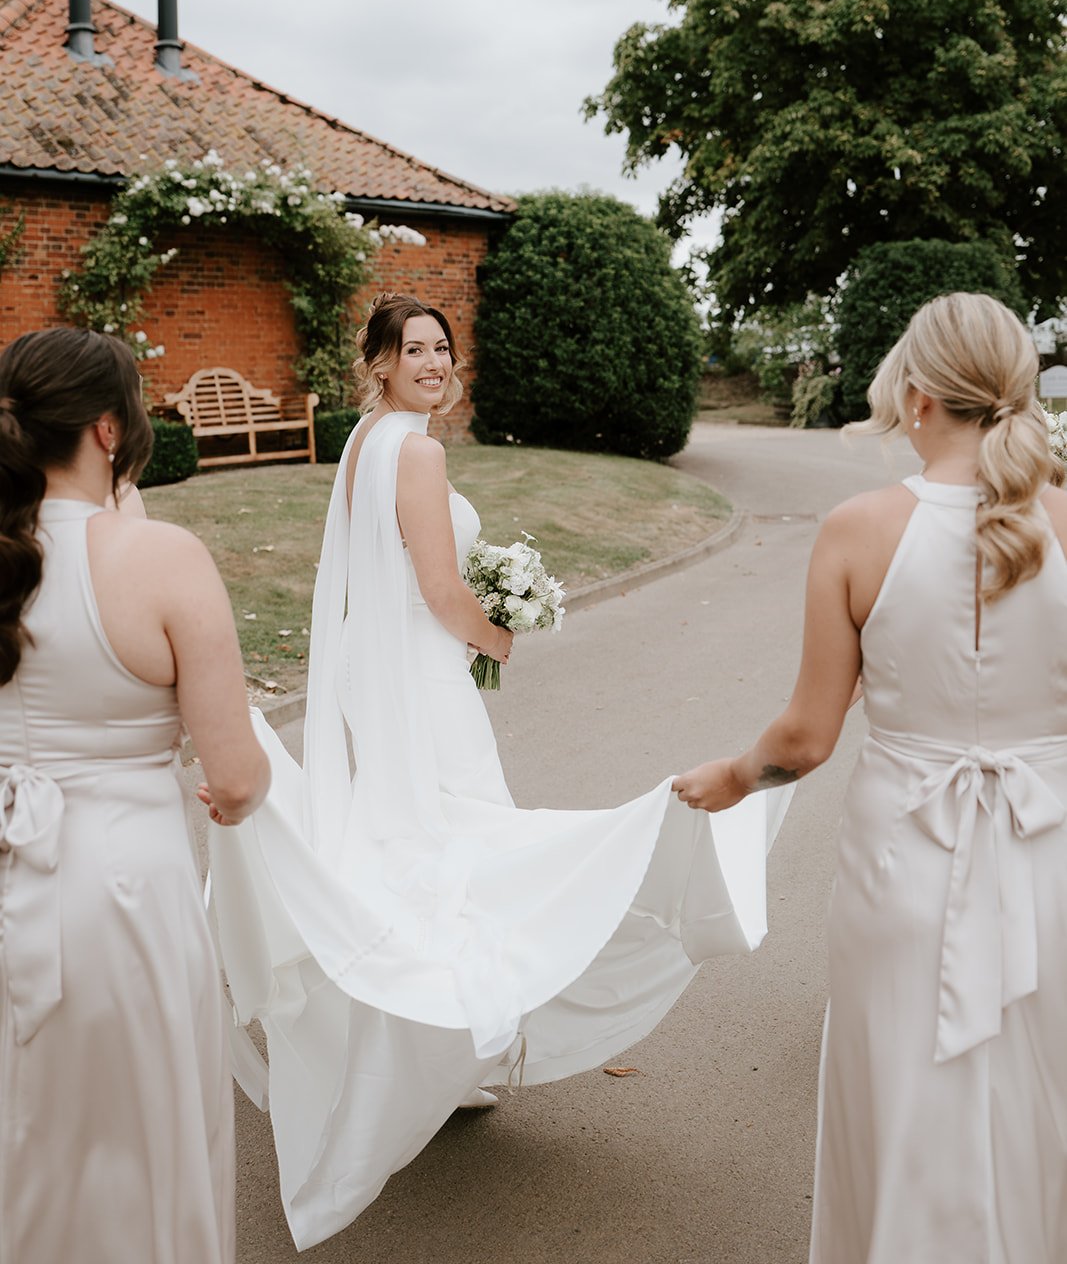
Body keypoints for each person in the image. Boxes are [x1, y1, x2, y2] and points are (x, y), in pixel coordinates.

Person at [207, 292, 794, 1251]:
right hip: (422, 680)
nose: (435, 363)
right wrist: (497, 631)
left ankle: (423, 1045)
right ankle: (447, 1030)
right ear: (380, 363)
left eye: (443, 347)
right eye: (414, 351)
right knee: (461, 844)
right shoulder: (421, 451)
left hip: (375, 676)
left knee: (409, 841)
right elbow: (440, 588)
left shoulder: (364, 440)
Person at [673, 292, 1067, 1264]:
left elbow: (804, 737)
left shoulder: (856, 528)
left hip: (903, 865)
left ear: (919, 394)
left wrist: (729, 775)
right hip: (1049, 856)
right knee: (1038, 1101)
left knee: (901, 1103)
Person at [0, 327, 271, 1264]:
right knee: (136, 1149)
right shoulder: (160, 558)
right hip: (122, 896)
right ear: (109, 430)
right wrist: (234, 798)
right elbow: (236, 776)